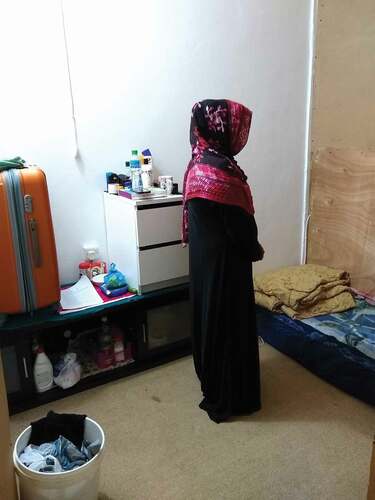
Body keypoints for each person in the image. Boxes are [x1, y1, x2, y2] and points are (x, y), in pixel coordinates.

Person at [182, 99, 264, 423]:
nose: (240, 136)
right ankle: (233, 396)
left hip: (205, 263)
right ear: (220, 128)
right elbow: (238, 226)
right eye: (236, 128)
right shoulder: (221, 171)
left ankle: (213, 381)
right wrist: (254, 246)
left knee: (211, 321)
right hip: (227, 267)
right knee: (230, 325)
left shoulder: (199, 162)